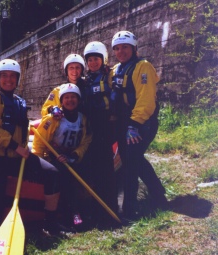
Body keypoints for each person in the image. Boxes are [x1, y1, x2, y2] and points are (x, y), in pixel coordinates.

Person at [0, 59, 73, 236]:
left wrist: (23, 146)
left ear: (18, 79)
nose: (9, 80)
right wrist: (15, 146)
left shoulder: (18, 101)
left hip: (14, 156)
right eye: (4, 76)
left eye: (13, 76)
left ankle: (50, 223)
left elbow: (21, 130)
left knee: (52, 173)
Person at [109, 31, 168, 220]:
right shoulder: (117, 69)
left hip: (142, 123)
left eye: (125, 47)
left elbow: (146, 101)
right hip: (126, 122)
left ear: (134, 48)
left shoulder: (143, 67)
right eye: (117, 48)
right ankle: (158, 194)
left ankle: (129, 208)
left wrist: (133, 125)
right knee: (132, 159)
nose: (121, 51)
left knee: (131, 162)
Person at [32, 83, 92, 229]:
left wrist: (74, 156)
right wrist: (38, 163)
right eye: (66, 98)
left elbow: (85, 141)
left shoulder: (83, 119)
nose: (70, 100)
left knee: (82, 173)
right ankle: (67, 213)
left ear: (78, 100)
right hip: (54, 156)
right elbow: (39, 143)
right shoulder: (52, 119)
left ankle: (78, 210)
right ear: (61, 100)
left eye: (73, 97)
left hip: (71, 156)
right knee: (62, 175)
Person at [81, 41, 119, 227]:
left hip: (106, 125)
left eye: (96, 59)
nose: (93, 62)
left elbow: (116, 97)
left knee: (105, 167)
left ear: (103, 59)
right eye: (90, 60)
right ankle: (95, 208)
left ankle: (111, 209)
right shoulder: (85, 80)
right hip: (92, 126)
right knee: (93, 167)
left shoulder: (111, 75)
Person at [41, 53, 85, 118]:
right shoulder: (58, 91)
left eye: (77, 68)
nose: (74, 71)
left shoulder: (88, 87)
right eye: (71, 68)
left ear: (82, 70)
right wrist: (52, 109)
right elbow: (44, 110)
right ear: (66, 71)